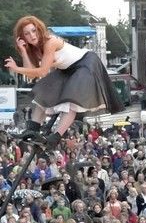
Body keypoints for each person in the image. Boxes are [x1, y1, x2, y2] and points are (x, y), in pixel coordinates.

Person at [5, 15, 123, 149]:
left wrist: (16, 68)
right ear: (23, 37)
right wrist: (23, 51)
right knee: (43, 93)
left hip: (85, 63)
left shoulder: (50, 42)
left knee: (70, 101)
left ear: (39, 29)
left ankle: (55, 137)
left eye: (34, 30)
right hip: (68, 68)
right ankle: (32, 129)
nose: (32, 35)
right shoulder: (34, 49)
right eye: (27, 33)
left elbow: (42, 71)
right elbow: (31, 72)